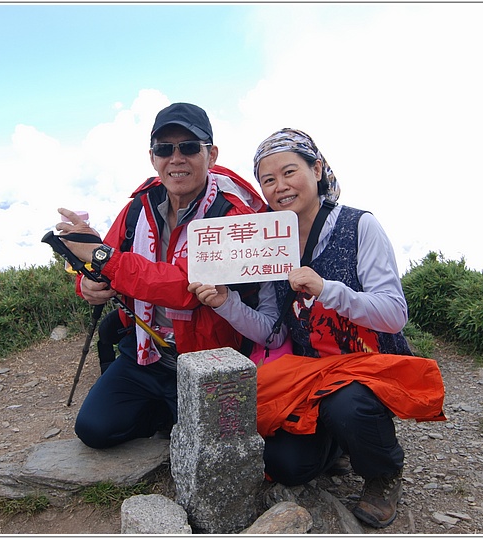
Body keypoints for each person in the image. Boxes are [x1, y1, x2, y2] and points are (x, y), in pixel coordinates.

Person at [188, 128, 445, 529]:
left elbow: (395, 313)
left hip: (369, 366)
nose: (280, 186)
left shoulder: (360, 226)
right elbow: (272, 333)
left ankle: (383, 472)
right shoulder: (270, 240)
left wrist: (328, 290)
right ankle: (339, 442)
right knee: (286, 465)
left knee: (349, 404)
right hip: (311, 374)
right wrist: (226, 303)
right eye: (268, 180)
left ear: (318, 169)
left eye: (290, 172)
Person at [55, 102, 265, 450]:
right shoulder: (140, 206)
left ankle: (174, 416)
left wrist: (102, 259)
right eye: (164, 149)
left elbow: (185, 288)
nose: (176, 158)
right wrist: (88, 284)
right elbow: (103, 263)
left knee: (217, 445)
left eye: (188, 147)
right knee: (94, 429)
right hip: (145, 352)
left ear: (210, 155)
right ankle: (167, 414)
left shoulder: (232, 216)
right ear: (153, 157)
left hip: (207, 359)